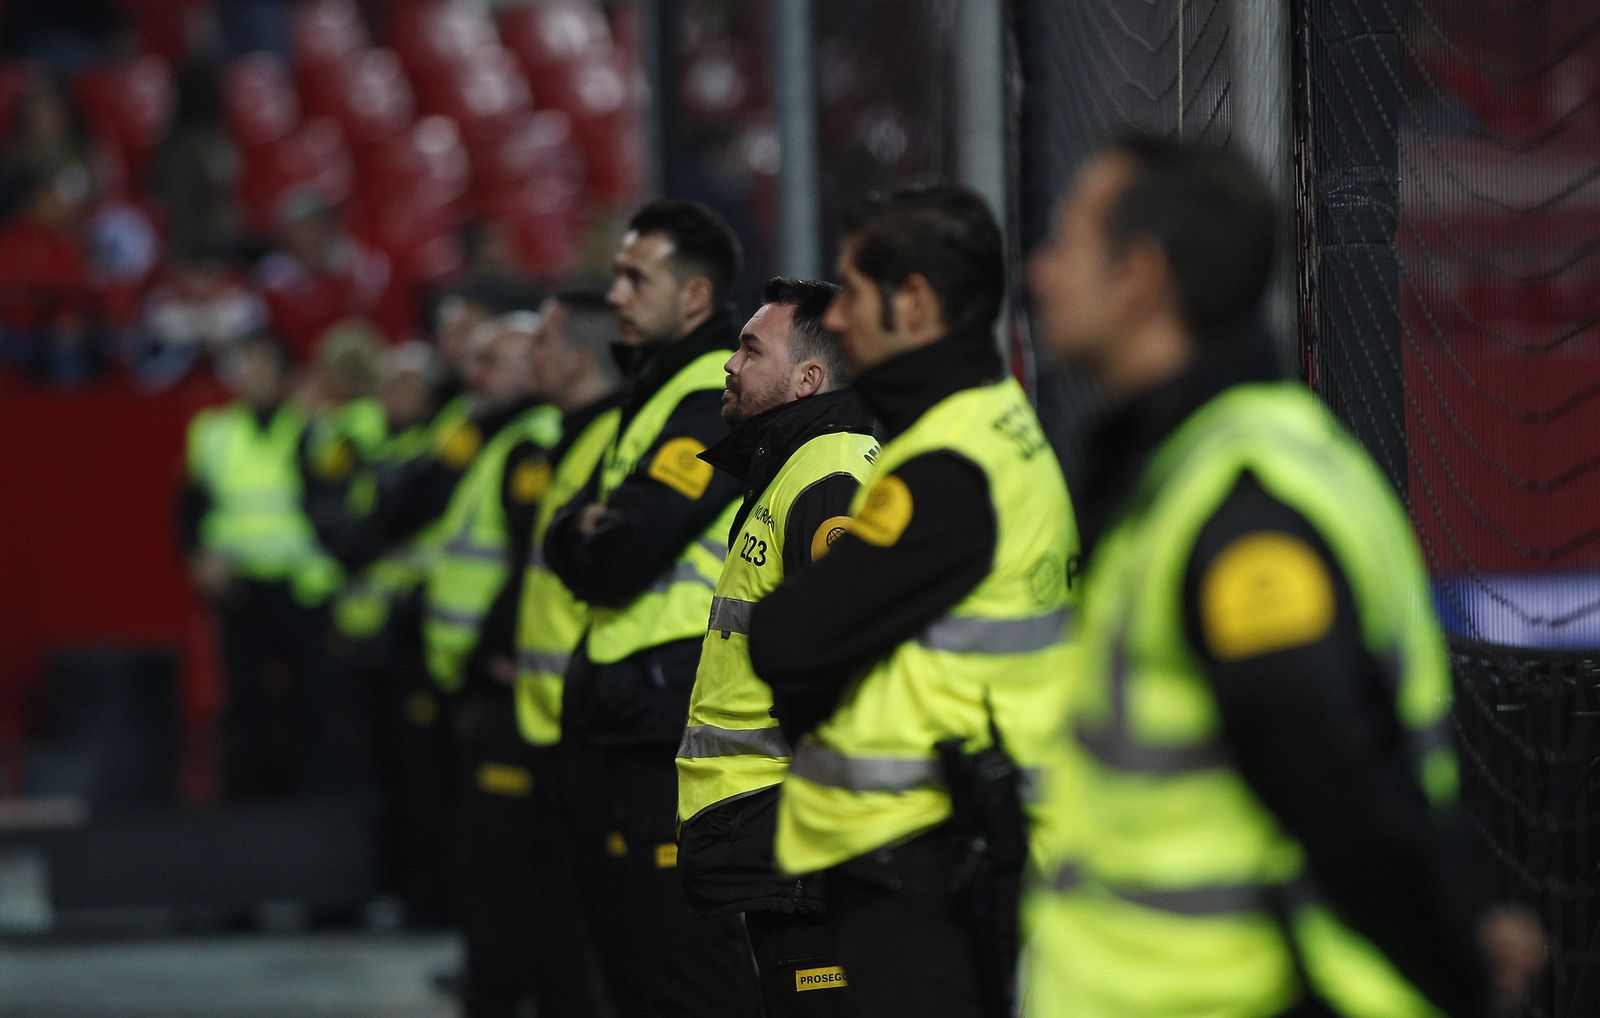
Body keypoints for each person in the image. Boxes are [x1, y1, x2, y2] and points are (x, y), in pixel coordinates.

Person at [1022, 134, 1543, 1018]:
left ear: (1141, 278)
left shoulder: (1239, 502)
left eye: (1065, 242)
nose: (1040, 272)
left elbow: (1337, 782)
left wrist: (1456, 963)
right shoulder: (1191, 468)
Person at [746, 188, 1081, 1018]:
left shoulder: (945, 465)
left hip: (929, 855)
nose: (840, 317)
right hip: (958, 842)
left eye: (856, 293)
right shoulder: (991, 424)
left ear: (917, 303)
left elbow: (787, 637)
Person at [542, 198, 760, 1017]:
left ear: (695, 296)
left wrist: (588, 534)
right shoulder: (658, 389)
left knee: (682, 972)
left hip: (672, 711)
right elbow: (580, 533)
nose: (617, 296)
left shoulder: (712, 395)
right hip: (628, 708)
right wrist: (581, 532)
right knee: (635, 969)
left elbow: (622, 548)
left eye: (637, 279)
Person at [675, 277, 878, 1016]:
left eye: (751, 350)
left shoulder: (829, 475)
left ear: (808, 378)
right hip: (778, 832)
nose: (730, 365)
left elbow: (846, 670)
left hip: (803, 837)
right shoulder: (797, 468)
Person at [421, 311, 562, 1018]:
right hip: (477, 679)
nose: (473, 377)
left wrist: (492, 651)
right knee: (485, 850)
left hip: (507, 682)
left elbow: (530, 566)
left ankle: (502, 987)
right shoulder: (491, 437)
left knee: (504, 854)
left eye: (492, 363)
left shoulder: (534, 443)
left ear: (534, 367)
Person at [509, 290, 632, 1017]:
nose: (532, 353)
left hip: (592, 712)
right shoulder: (566, 435)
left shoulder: (612, 438)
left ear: (580, 359)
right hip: (554, 711)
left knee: (604, 936)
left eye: (544, 340)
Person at [176, 334, 343, 800]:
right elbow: (189, 504)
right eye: (246, 366)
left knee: (313, 696)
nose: (253, 376)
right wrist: (197, 556)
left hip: (302, 584)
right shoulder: (215, 432)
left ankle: (314, 802)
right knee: (244, 697)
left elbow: (338, 495)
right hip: (240, 584)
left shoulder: (314, 426)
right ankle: (246, 804)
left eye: (263, 366)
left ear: (286, 376)